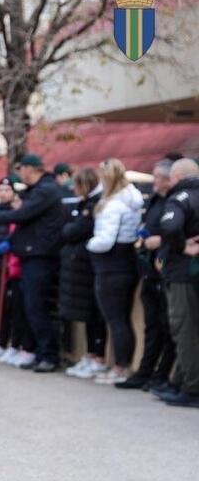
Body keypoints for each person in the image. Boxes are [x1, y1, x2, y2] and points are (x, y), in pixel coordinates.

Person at [0, 154, 65, 372]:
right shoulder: (35, 191)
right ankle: (39, 352)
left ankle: (48, 354)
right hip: (29, 253)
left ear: (30, 169)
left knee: (36, 306)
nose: (20, 174)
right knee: (30, 307)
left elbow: (24, 214)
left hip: (40, 255)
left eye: (21, 169)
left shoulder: (46, 190)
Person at [117, 159, 177, 390]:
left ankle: (161, 374)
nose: (154, 180)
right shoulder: (154, 200)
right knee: (152, 325)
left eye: (158, 177)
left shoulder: (176, 201)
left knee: (167, 325)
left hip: (167, 270)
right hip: (149, 270)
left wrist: (160, 241)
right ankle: (145, 371)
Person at [86, 159, 143, 384]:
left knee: (116, 320)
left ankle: (121, 367)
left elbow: (105, 241)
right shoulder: (130, 201)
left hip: (111, 265)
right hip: (125, 263)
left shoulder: (113, 205)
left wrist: (90, 243)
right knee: (121, 319)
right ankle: (121, 365)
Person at [154, 158, 199, 407]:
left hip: (183, 273)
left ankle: (191, 388)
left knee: (185, 330)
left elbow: (170, 227)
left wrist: (181, 246)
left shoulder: (180, 198)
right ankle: (179, 382)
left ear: (177, 178)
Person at [0, 176, 35, 366]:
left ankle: (14, 344)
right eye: (0, 190)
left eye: (7, 190)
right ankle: (0, 343)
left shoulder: (15, 212)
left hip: (12, 266)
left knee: (14, 308)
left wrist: (5, 246)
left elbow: (15, 235)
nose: (3, 193)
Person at [59, 168, 109, 380]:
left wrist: (69, 229)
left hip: (89, 266)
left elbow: (75, 230)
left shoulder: (94, 205)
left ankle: (98, 356)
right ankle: (90, 354)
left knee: (96, 315)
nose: (74, 189)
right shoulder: (85, 204)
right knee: (88, 315)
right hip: (81, 264)